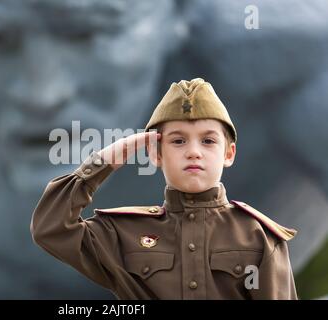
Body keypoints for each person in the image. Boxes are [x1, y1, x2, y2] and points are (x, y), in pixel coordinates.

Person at [31, 78, 298, 299]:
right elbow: (50, 228)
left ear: (229, 154)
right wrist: (103, 162)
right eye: (178, 141)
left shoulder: (258, 236)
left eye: (207, 141)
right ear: (156, 154)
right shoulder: (121, 233)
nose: (193, 152)